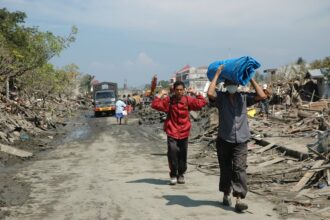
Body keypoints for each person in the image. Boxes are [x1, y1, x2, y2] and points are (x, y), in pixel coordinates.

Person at [207, 65, 267, 212]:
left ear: (238, 85)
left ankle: (239, 198)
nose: (232, 86)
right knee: (226, 169)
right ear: (225, 85)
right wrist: (218, 74)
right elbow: (210, 93)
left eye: (234, 84)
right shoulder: (221, 98)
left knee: (239, 169)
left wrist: (250, 77)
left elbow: (262, 95)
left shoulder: (244, 98)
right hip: (224, 139)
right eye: (229, 84)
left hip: (241, 140)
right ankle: (226, 193)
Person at [151, 81, 207, 185]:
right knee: (172, 153)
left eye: (181, 90)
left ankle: (181, 174)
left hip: (184, 131)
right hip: (172, 131)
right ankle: (173, 174)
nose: (179, 92)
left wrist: (196, 93)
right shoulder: (169, 100)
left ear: (184, 90)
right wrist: (160, 95)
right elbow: (155, 105)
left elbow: (202, 103)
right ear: (174, 90)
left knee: (182, 154)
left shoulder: (188, 99)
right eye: (177, 90)